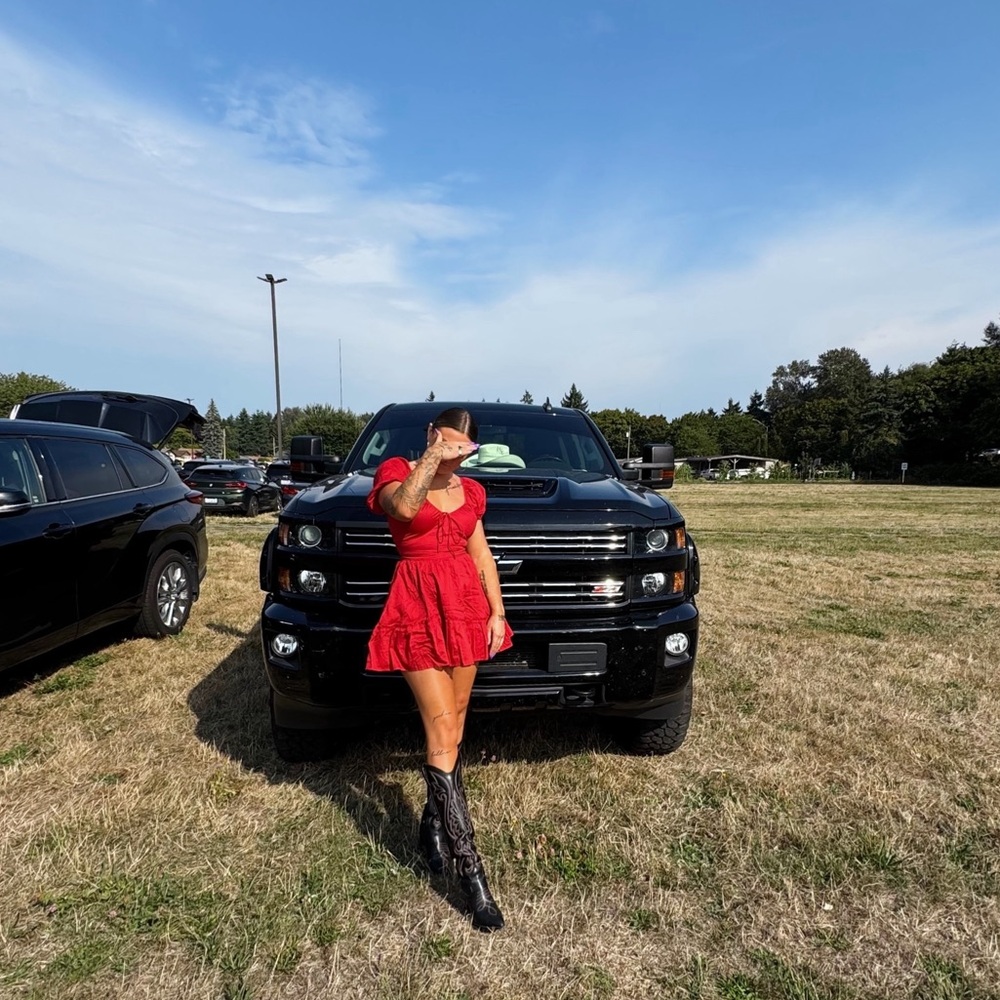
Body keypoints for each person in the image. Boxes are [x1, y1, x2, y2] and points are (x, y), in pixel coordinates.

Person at [365, 407, 512, 933]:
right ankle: (471, 871)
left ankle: (431, 828)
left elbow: (482, 553)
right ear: (431, 437)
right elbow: (404, 509)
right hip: (417, 610)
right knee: (441, 728)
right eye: (445, 443)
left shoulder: (472, 493)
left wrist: (496, 612)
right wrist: (430, 456)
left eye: (460, 449)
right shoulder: (396, 473)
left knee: (459, 719)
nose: (453, 454)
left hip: (466, 610)